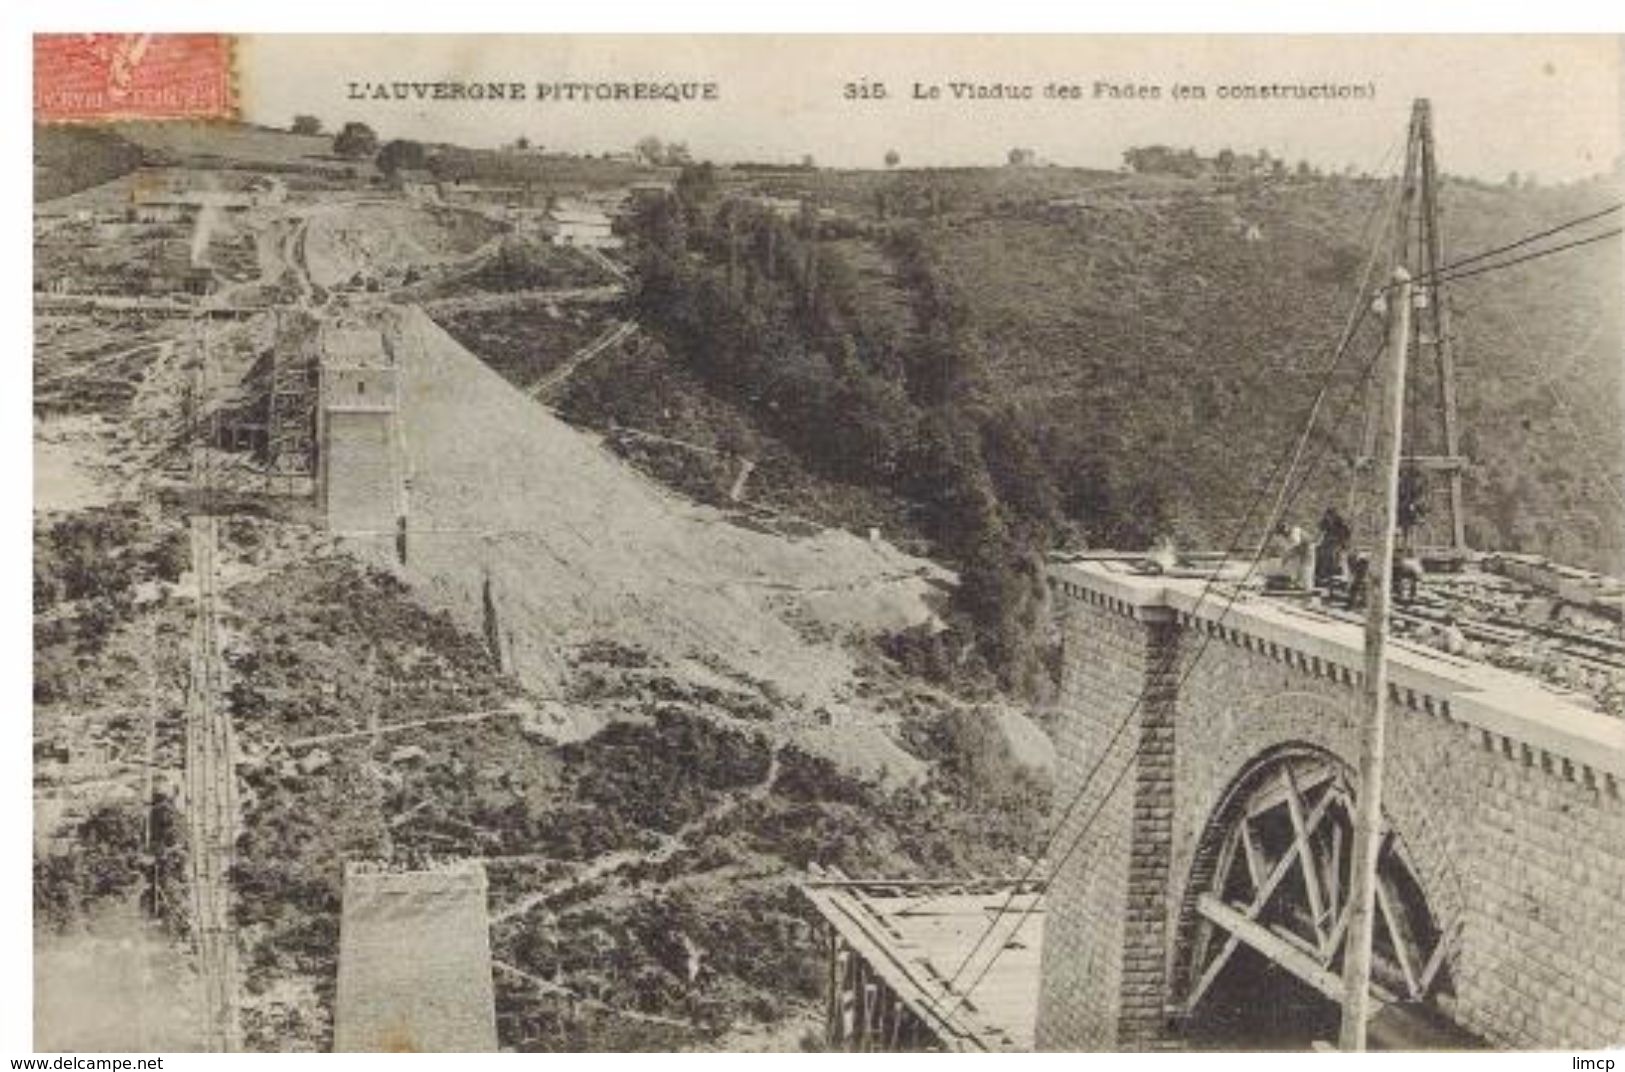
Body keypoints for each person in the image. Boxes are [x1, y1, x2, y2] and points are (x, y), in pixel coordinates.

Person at [1316, 507, 1351, 587]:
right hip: (1327, 543)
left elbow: (1345, 536)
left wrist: (1340, 542)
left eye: (1330, 516)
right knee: (1320, 552)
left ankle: (1340, 576)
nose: (1328, 518)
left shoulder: (1341, 525)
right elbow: (1320, 532)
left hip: (1338, 544)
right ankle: (1321, 575)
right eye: (1327, 516)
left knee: (1335, 555)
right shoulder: (1326, 524)